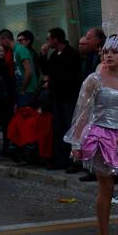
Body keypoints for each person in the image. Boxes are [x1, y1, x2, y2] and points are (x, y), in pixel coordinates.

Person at [64, 34, 118, 235]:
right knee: (107, 187)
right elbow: (82, 112)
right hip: (101, 137)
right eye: (105, 51)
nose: (108, 55)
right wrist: (77, 143)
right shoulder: (93, 80)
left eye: (114, 52)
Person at [39, 27, 82, 171]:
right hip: (57, 97)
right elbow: (47, 71)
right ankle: (60, 159)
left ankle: (73, 160)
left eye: (48, 38)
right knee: (59, 128)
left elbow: (73, 77)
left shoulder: (71, 54)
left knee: (70, 128)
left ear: (56, 39)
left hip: (68, 97)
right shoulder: (54, 55)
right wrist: (43, 56)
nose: (47, 42)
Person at [0, 29, 37, 107]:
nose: (0, 44)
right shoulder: (14, 50)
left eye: (0, 41)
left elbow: (28, 71)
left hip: (27, 91)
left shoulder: (20, 49)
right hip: (22, 91)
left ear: (5, 39)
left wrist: (22, 89)